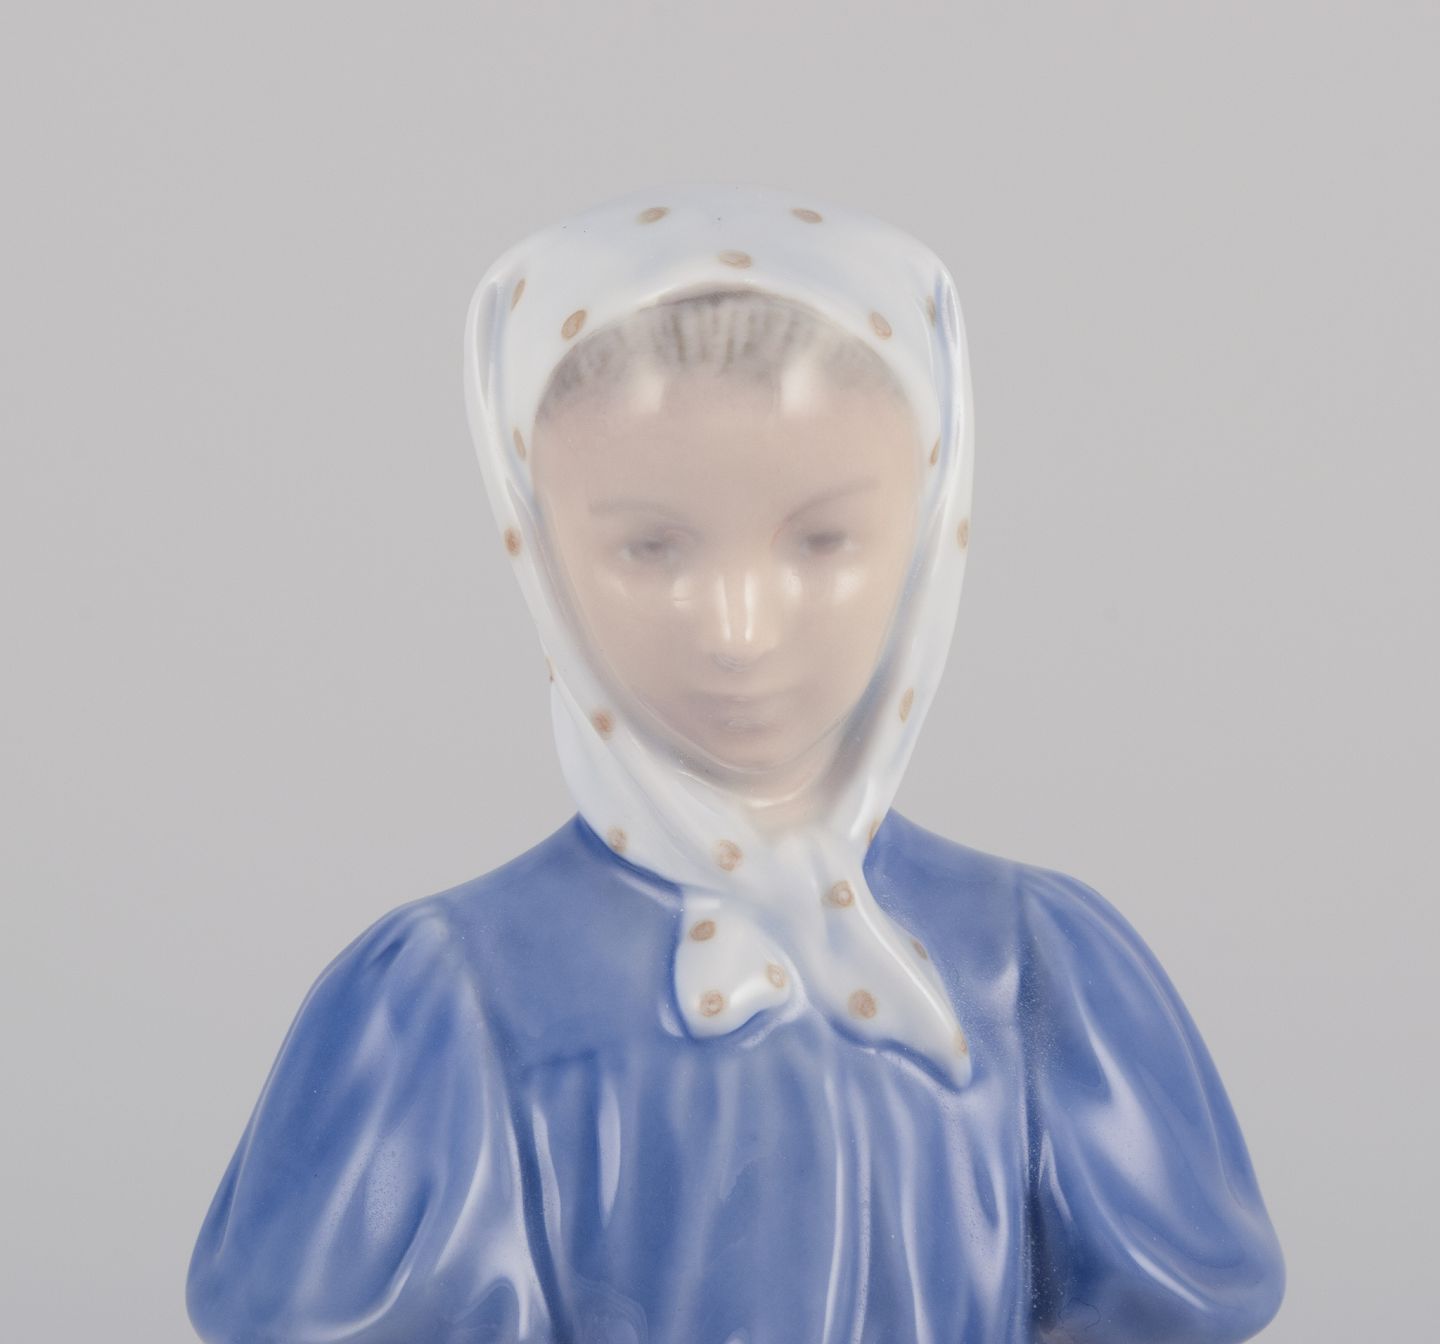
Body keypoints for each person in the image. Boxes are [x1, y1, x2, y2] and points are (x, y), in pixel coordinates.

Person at [186, 183, 1285, 1344]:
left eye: (823, 540)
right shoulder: (445, 1004)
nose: (740, 628)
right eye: (651, 547)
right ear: (536, 543)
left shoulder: (1035, 972)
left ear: (929, 527)